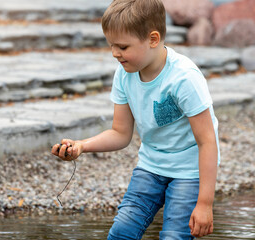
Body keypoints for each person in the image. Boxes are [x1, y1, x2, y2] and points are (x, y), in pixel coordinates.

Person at [51, 0, 220, 239]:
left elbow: (207, 142)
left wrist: (205, 203)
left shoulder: (184, 78)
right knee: (121, 232)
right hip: (150, 167)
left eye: (122, 46)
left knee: (174, 236)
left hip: (189, 171)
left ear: (152, 39)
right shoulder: (124, 73)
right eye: (111, 45)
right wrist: (82, 146)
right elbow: (120, 133)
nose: (114, 53)